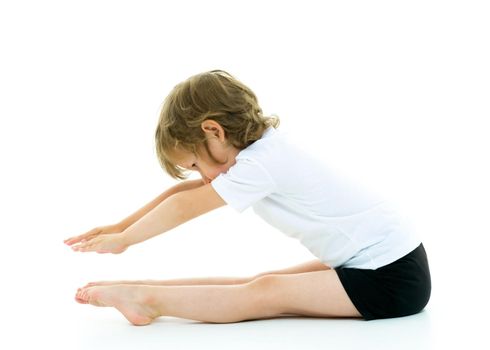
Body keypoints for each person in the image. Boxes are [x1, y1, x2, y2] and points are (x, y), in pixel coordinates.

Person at [64, 70, 431, 326]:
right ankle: (140, 290)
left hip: (391, 278)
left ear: (214, 130)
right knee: (262, 279)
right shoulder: (260, 154)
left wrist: (126, 240)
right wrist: (120, 227)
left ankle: (146, 301)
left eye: (195, 162)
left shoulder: (262, 164)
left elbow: (184, 206)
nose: (203, 176)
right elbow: (182, 193)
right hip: (381, 261)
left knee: (265, 291)